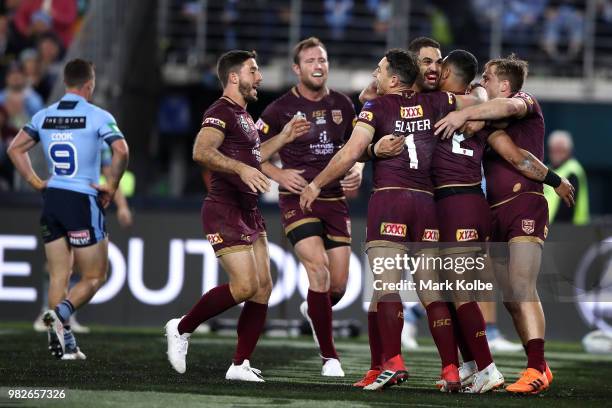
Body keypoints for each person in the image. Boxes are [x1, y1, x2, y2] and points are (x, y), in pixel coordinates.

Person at [300, 48, 484, 391]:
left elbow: (350, 152)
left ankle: (394, 363)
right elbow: (477, 100)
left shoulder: (378, 107)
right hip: (427, 205)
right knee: (431, 291)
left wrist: (317, 182)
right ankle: (451, 370)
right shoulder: (436, 103)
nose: (376, 73)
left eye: (380, 70)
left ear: (394, 79)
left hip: (391, 202)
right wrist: (470, 117)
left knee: (386, 288)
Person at [164, 50, 310, 382]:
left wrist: (284, 137)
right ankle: (181, 327)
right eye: (253, 70)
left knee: (263, 288)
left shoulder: (243, 116)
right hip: (223, 208)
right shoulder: (220, 111)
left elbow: (255, 157)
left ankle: (239, 364)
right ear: (234, 77)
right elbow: (201, 151)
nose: (259, 77)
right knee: (244, 286)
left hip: (248, 210)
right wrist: (241, 167)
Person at [434, 54, 575, 394]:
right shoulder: (490, 125)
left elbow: (519, 154)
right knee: (510, 297)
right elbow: (509, 150)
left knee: (522, 285)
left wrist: (553, 179)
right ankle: (537, 366)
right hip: (493, 213)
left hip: (524, 202)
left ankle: (536, 368)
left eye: (488, 77)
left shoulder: (523, 102)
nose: (482, 82)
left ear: (506, 85)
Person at [7, 58, 129, 360]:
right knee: (94, 277)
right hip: (81, 199)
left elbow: (14, 149)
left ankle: (65, 344)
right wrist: (111, 185)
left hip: (53, 198)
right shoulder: (97, 115)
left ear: (66, 83)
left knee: (60, 275)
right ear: (90, 84)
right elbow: (121, 150)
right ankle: (60, 316)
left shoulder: (44, 115)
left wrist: (36, 182)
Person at [256, 37, 360, 377]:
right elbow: (253, 154)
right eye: (311, 60)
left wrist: (357, 171)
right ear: (296, 69)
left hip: (334, 200)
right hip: (298, 200)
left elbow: (356, 149)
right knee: (319, 271)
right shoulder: (278, 109)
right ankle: (330, 357)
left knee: (339, 286)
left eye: (323, 60)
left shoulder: (344, 105)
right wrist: (278, 174)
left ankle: (314, 309)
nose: (319, 65)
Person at [544, 129, 589, 225]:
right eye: (554, 150)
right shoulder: (546, 170)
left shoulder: (573, 170)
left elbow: (567, 207)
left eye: (561, 150)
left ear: (569, 151)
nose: (557, 153)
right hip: (547, 231)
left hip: (569, 232)